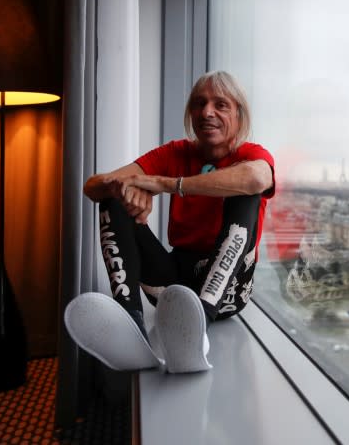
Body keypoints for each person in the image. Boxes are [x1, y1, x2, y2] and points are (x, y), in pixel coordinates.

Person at [64, 71, 275, 373]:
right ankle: (131, 327)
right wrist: (127, 188)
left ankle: (197, 328)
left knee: (247, 194)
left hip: (226, 293)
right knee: (111, 199)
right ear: (191, 112)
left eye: (221, 105)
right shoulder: (176, 151)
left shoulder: (251, 155)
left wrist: (167, 184)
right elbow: (93, 186)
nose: (207, 112)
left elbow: (256, 177)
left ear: (239, 115)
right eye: (200, 104)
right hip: (172, 287)